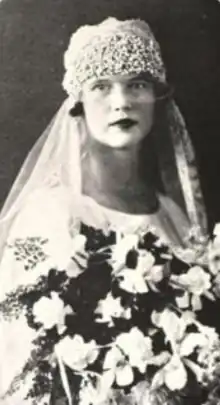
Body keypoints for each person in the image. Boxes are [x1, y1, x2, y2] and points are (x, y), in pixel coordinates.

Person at [0, 17, 210, 405]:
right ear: (77, 104)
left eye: (138, 85)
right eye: (101, 86)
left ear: (157, 98)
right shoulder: (51, 213)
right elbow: (21, 360)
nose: (122, 101)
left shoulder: (172, 216)